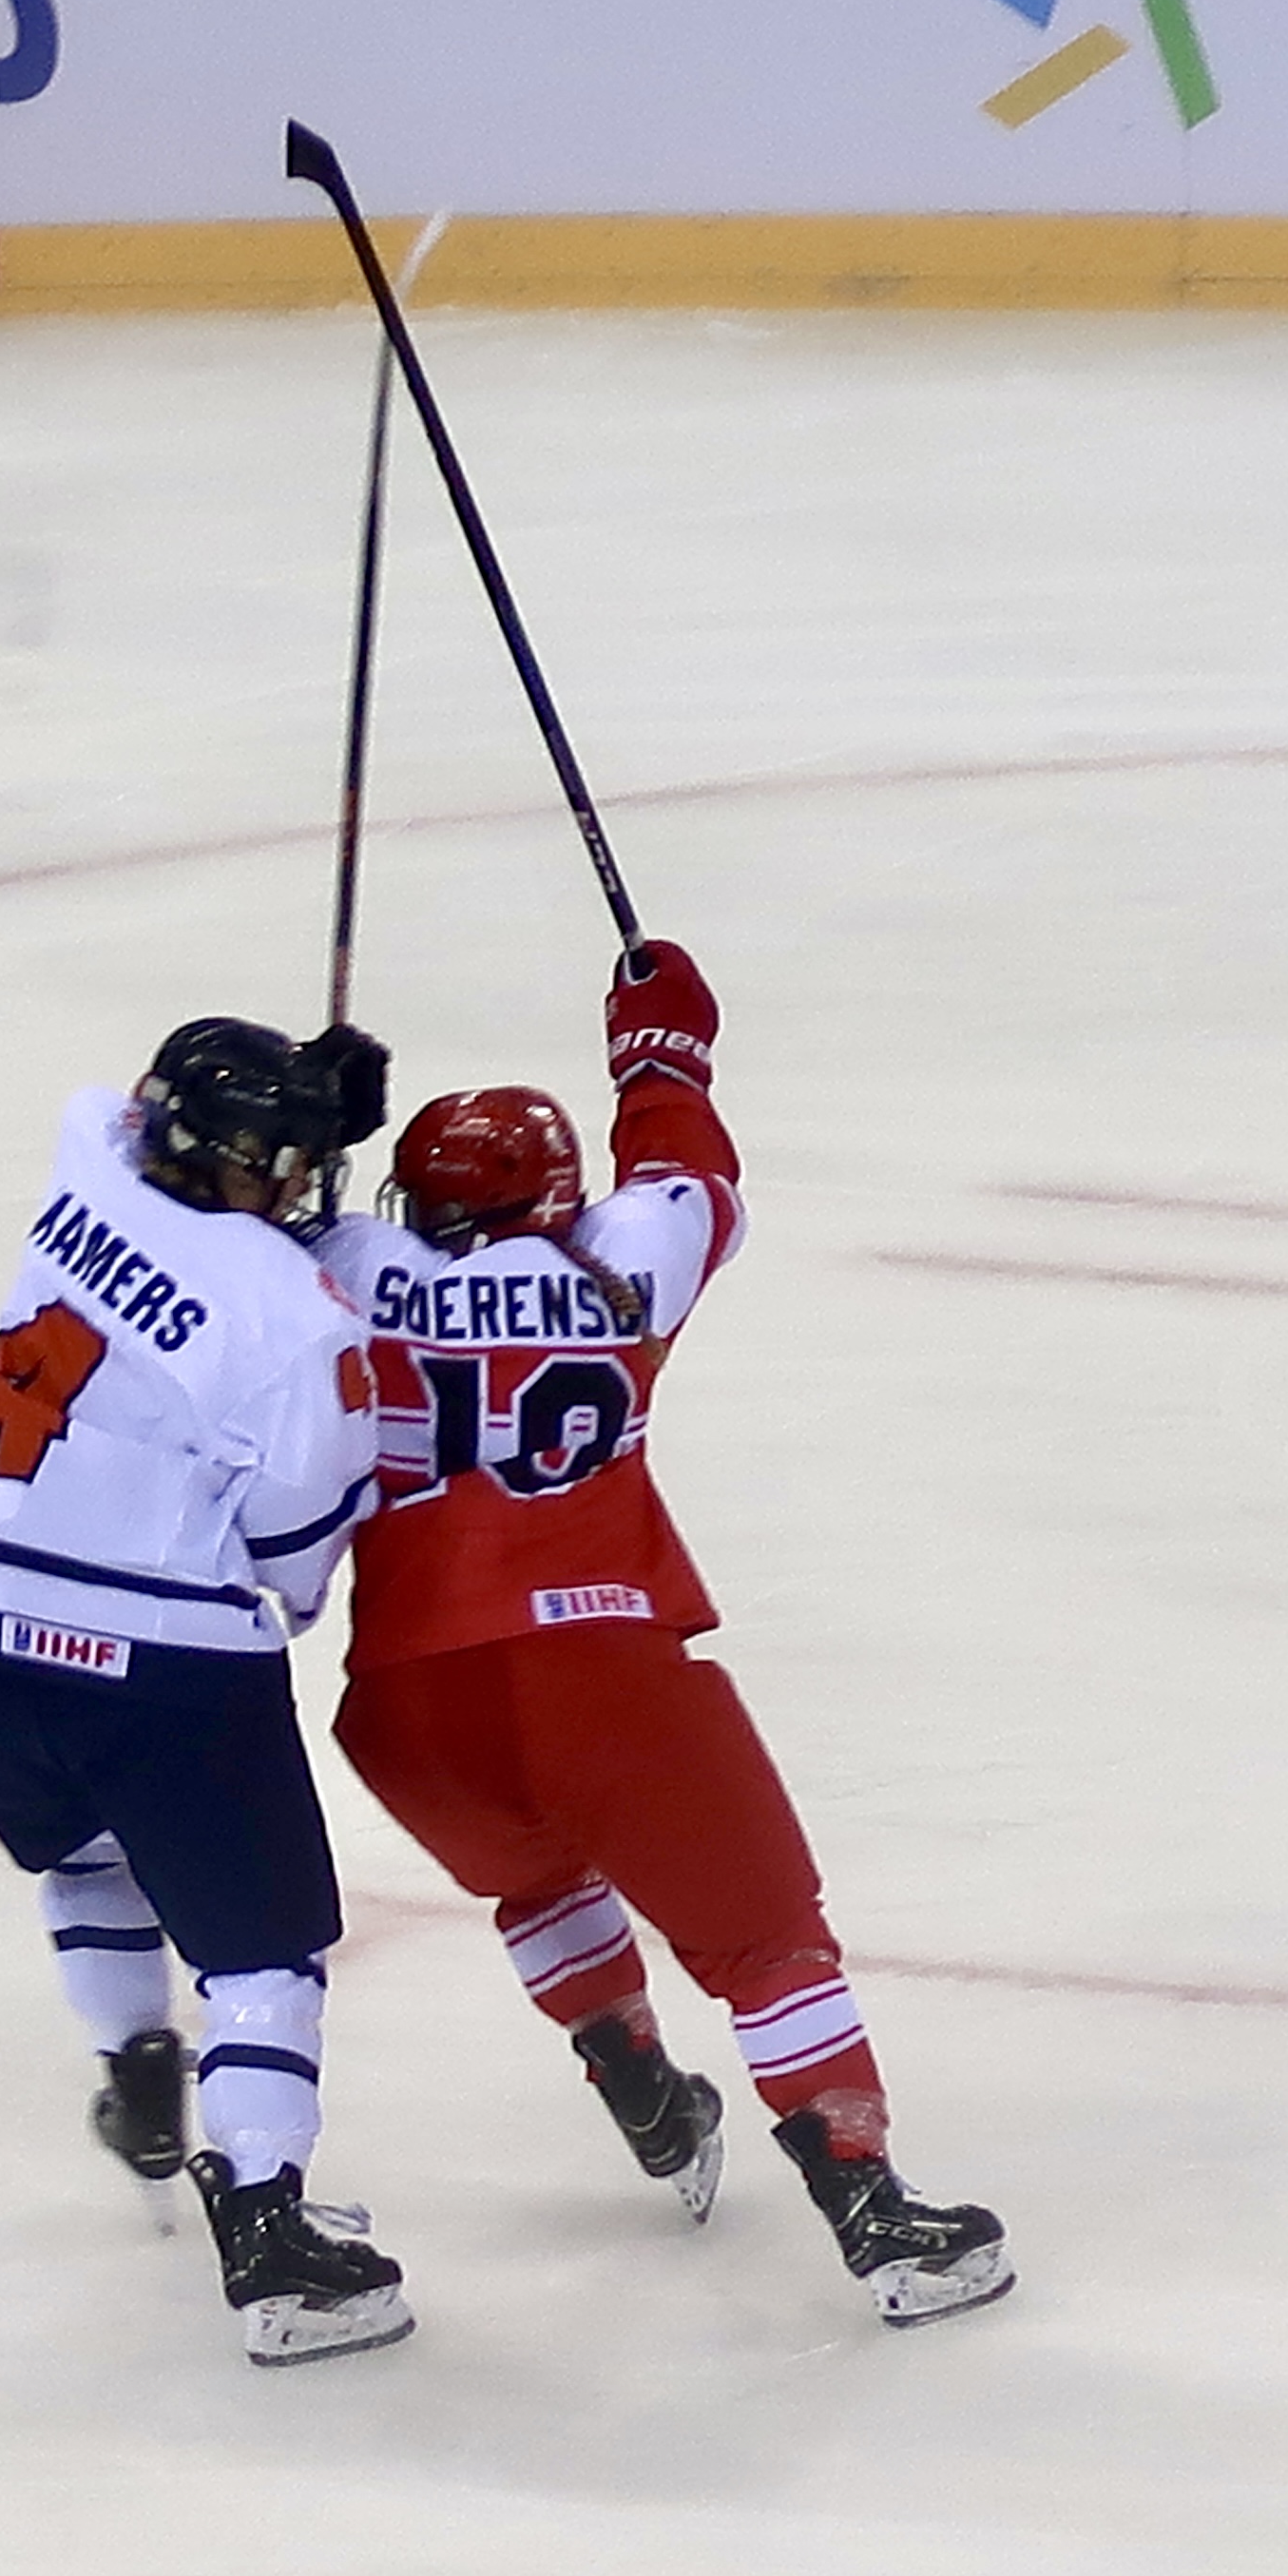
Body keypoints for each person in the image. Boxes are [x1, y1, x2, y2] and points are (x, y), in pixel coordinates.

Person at [315, 939, 1010, 2328]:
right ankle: (874, 2210)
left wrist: (308, 1122)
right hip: (600, 1658)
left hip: (400, 1696)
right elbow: (693, 1172)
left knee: (538, 1879)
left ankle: (632, 2071)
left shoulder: (343, 1264)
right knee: (767, 1942)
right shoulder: (620, 1264)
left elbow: (231, 1232)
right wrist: (659, 1048)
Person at [0, 1013, 414, 2366]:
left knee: (89, 1852)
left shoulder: (90, 1157)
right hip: (155, 1664)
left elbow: (136, 1109)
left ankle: (135, 2064)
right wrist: (314, 1154)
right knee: (261, 1957)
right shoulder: (293, 1319)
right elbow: (294, 1549)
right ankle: (270, 2235)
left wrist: (297, 1100)